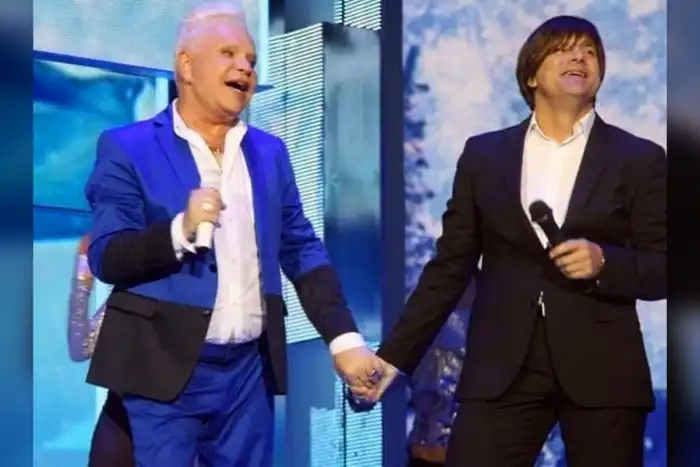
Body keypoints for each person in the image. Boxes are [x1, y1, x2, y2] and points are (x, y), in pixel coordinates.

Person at [83, 2, 381, 466]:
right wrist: (180, 230)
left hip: (248, 375)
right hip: (162, 370)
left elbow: (301, 250)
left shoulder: (270, 153)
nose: (245, 67)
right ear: (187, 66)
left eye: (252, 60)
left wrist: (345, 341)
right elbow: (108, 256)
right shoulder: (127, 146)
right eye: (228, 53)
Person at [365, 15, 667, 467]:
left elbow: (665, 267)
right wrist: (393, 358)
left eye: (589, 51)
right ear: (530, 75)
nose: (579, 57)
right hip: (502, 368)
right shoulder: (485, 155)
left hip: (602, 367)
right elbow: (450, 268)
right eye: (563, 49)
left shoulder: (639, 158)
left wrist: (605, 262)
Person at [68, 234, 134, 467]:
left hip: (176, 421)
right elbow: (80, 347)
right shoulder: (127, 298)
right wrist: (83, 270)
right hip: (120, 418)